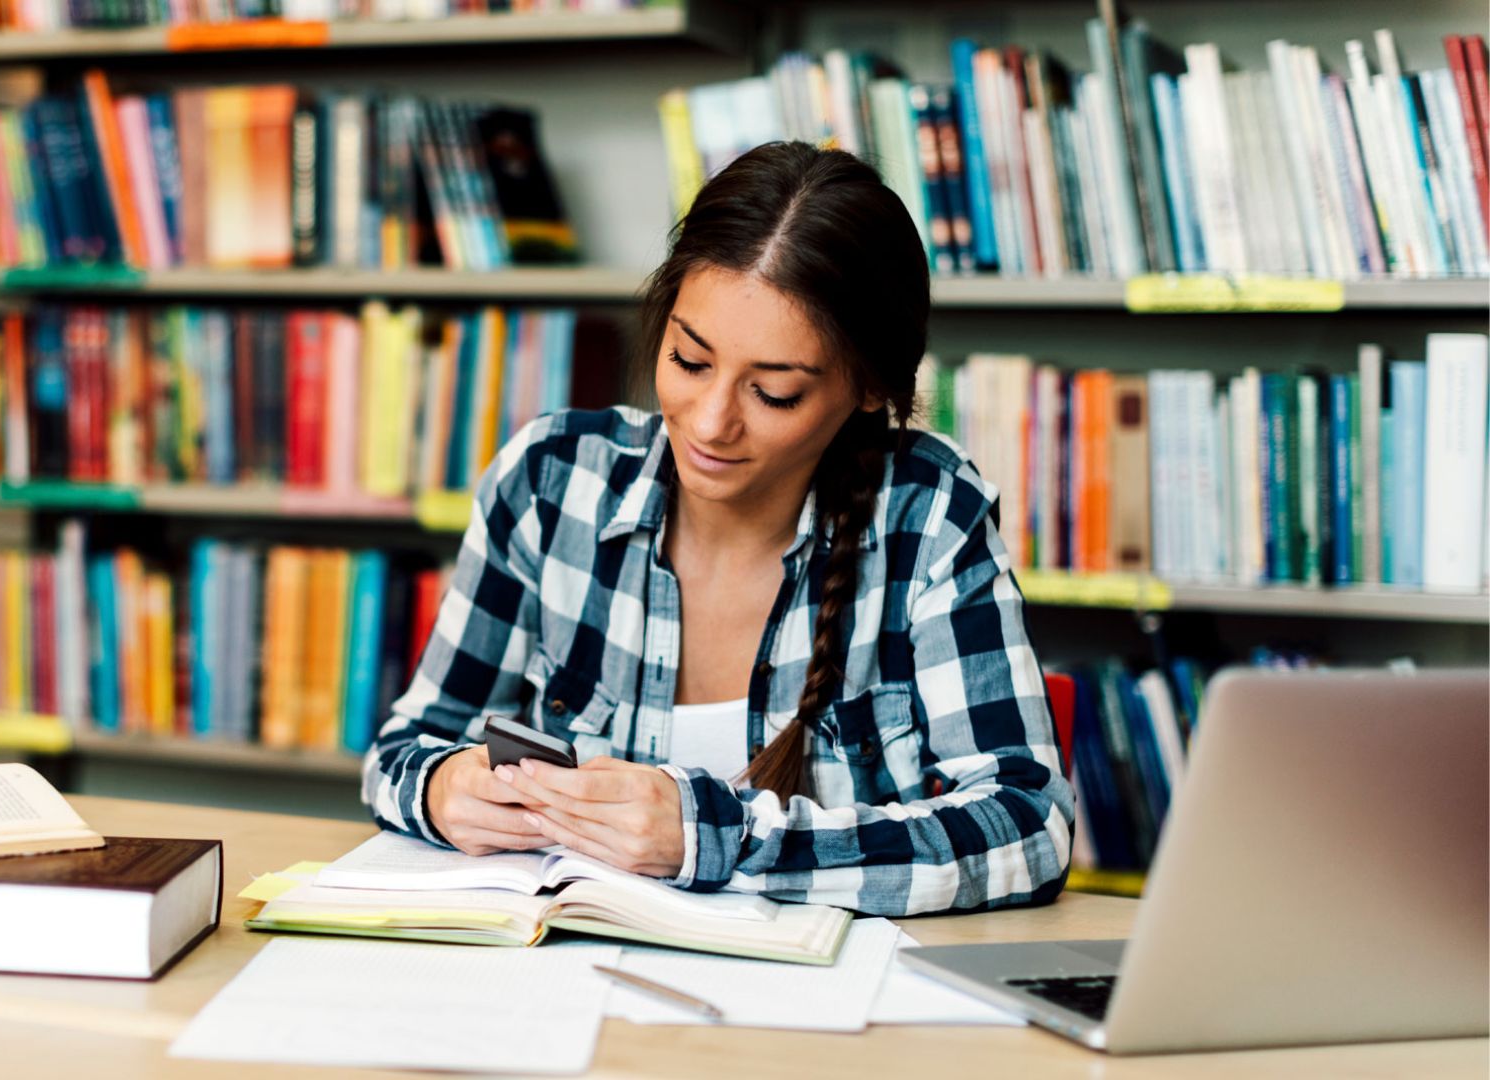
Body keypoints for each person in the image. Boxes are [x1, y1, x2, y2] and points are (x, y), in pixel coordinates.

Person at [361, 141, 1073, 916]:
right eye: (689, 360)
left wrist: (717, 840)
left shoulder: (930, 517)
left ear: (870, 388)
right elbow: (403, 748)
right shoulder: (550, 482)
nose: (708, 423)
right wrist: (441, 790)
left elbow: (1029, 826)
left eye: (772, 393)